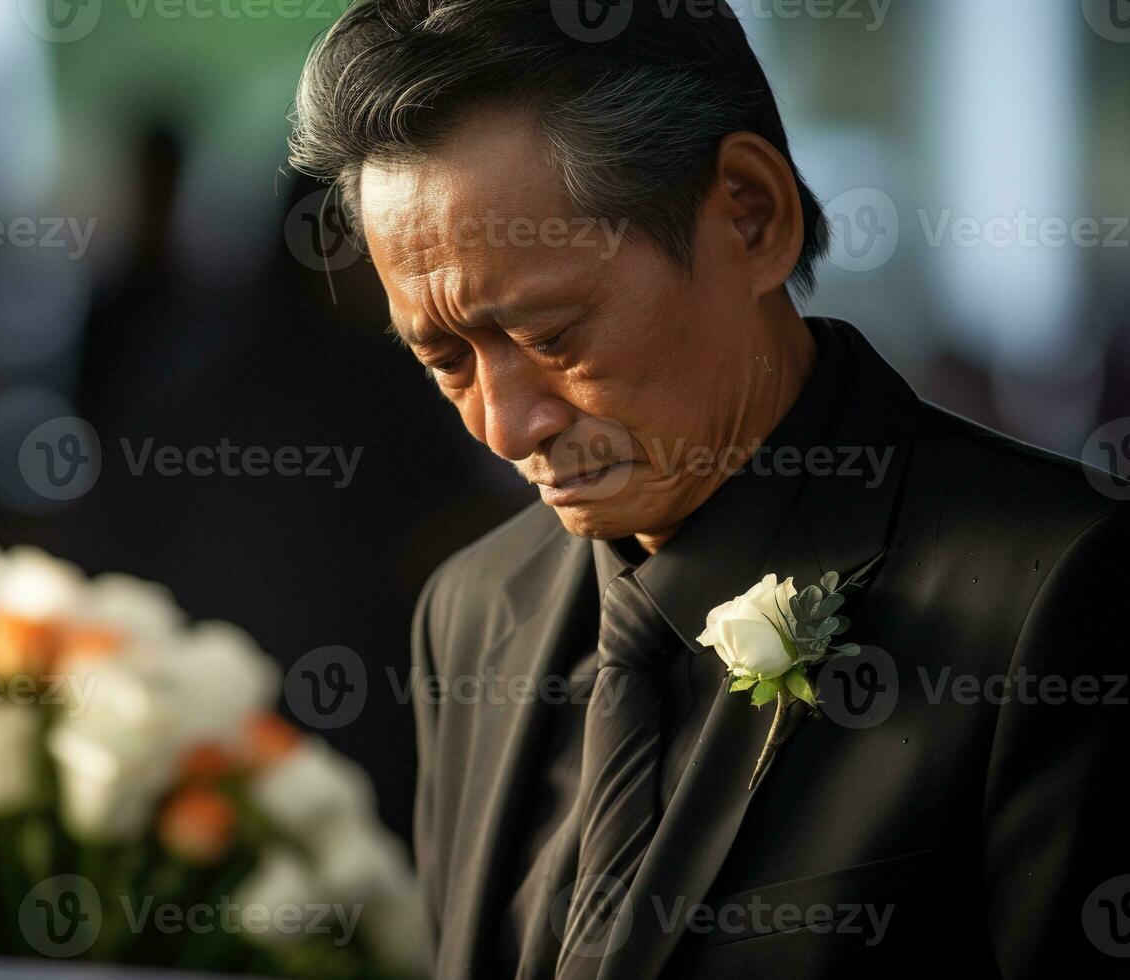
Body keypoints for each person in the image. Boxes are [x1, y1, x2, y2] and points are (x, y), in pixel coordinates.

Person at [287, 2, 1129, 977]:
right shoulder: (473, 609)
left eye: (552, 335)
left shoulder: (1058, 595)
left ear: (749, 213)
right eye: (445, 359)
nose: (506, 428)